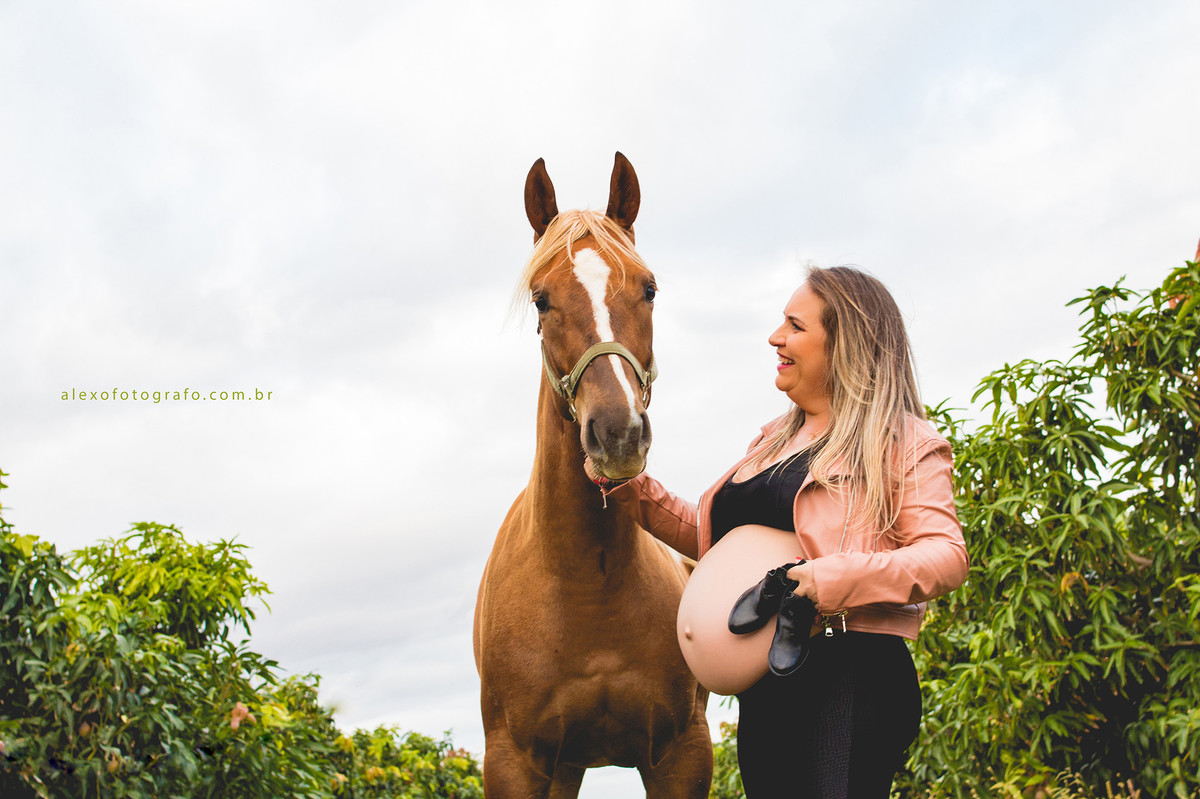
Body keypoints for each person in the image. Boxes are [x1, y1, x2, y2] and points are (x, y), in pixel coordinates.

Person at [609, 265, 969, 797]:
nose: (776, 337)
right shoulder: (773, 438)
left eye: (795, 326)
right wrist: (631, 490)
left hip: (847, 675)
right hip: (769, 686)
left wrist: (833, 579)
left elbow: (946, 556)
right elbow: (714, 541)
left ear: (845, 342)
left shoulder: (904, 441)